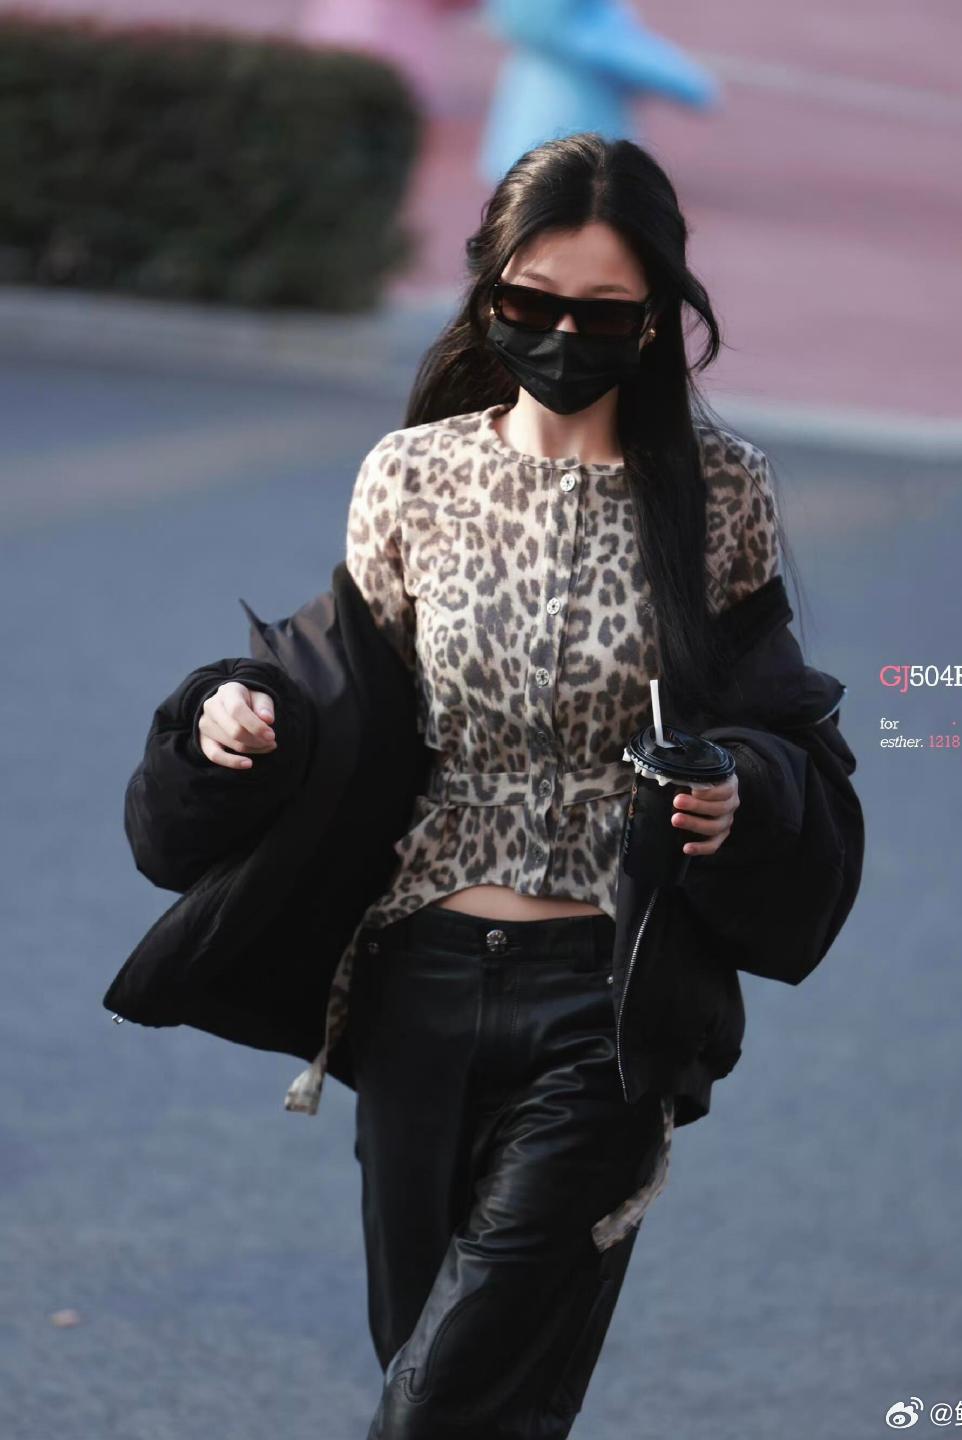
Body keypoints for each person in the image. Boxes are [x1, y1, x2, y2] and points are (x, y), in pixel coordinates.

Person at [185, 131, 844, 1438]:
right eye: (532, 302)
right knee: (444, 1376)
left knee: (438, 1406)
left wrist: (741, 792)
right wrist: (230, 713)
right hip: (416, 987)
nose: (563, 335)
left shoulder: (721, 495)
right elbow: (341, 694)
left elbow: (777, 723)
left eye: (602, 312)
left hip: (602, 1005)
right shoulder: (412, 476)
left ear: (654, 319)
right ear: (487, 291)